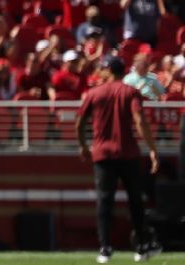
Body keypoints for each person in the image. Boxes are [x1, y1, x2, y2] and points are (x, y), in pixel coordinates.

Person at [76, 55, 161, 263]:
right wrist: (152, 149)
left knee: (104, 201)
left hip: (103, 153)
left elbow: (80, 122)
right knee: (135, 201)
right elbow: (140, 120)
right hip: (128, 152)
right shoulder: (130, 92)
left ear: (107, 70)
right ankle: (142, 246)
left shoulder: (94, 93)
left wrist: (84, 146)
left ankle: (105, 247)